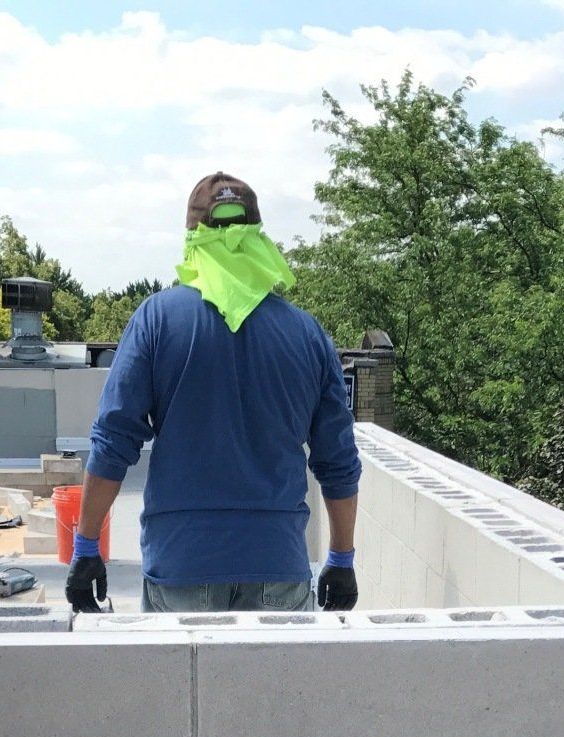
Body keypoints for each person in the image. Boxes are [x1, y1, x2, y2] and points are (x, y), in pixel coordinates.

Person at [65, 173, 361, 614]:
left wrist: (87, 546)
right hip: (277, 562)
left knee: (184, 687)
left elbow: (113, 440)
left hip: (182, 562)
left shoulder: (157, 319)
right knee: (277, 688)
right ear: (257, 236)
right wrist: (340, 557)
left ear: (193, 237)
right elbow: (337, 459)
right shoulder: (306, 333)